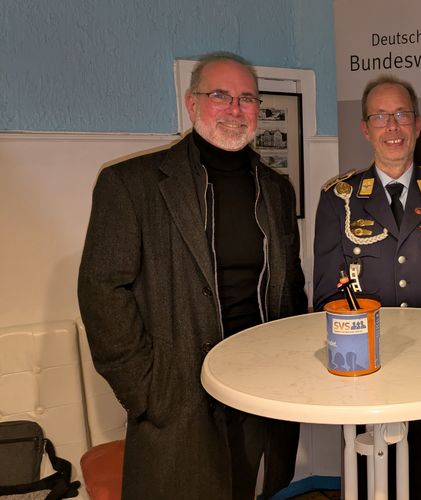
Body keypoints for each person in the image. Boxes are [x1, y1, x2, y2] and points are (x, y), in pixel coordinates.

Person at [78, 52, 308, 500]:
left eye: (246, 99)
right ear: (192, 104)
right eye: (220, 96)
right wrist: (145, 387)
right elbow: (102, 290)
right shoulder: (131, 184)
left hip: (262, 388)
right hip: (178, 393)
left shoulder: (276, 189)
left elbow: (291, 283)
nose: (234, 109)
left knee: (255, 488)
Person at [313, 75, 421, 499]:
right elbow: (326, 293)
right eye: (381, 117)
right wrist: (369, 352)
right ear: (365, 128)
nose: (393, 127)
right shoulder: (340, 198)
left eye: (402, 115)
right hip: (363, 374)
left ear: (418, 123)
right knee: (370, 482)